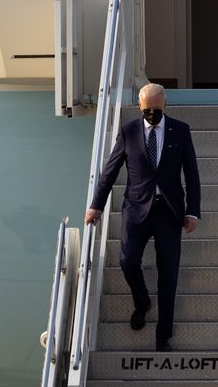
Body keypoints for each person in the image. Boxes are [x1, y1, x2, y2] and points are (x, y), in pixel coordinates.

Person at [84, 83, 201, 352]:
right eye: (147, 110)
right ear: (140, 106)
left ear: (165, 105)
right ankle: (142, 302)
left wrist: (192, 211)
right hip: (136, 210)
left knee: (168, 274)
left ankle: (163, 336)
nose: (151, 114)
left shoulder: (180, 131)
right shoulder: (128, 131)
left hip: (169, 213)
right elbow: (110, 171)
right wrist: (96, 206)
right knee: (127, 261)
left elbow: (192, 174)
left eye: (156, 110)